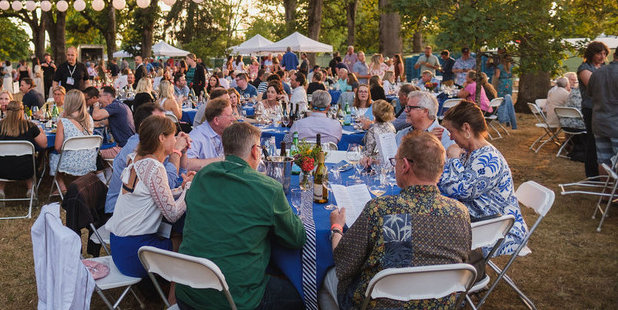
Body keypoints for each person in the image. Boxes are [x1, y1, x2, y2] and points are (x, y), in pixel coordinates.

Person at [326, 131, 471, 309]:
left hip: (383, 304)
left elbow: (343, 261)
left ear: (405, 166)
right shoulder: (460, 213)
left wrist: (337, 228)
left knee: (329, 276)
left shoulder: (384, 210)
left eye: (395, 161)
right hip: (442, 303)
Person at [177, 122, 305, 310]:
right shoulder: (267, 188)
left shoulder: (201, 177)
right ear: (255, 151)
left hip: (188, 294)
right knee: (302, 297)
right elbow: (297, 238)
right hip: (235, 300)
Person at [104, 116, 195, 278]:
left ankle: (163, 291)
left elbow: (151, 194)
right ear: (161, 138)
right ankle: (175, 297)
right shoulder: (153, 167)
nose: (175, 140)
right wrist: (188, 188)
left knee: (174, 233)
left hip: (119, 246)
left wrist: (180, 189)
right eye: (173, 136)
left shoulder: (136, 159)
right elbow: (173, 214)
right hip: (136, 252)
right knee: (188, 245)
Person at [439, 101, 528, 256]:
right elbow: (444, 179)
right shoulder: (470, 153)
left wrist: (453, 158)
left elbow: (456, 189)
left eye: (451, 131)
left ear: (466, 128)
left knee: (429, 237)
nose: (451, 137)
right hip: (479, 223)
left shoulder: (488, 158)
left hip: (499, 230)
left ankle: (455, 276)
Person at [105, 103, 189, 214]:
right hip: (123, 214)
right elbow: (168, 185)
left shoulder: (154, 146)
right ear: (145, 126)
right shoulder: (139, 149)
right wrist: (176, 151)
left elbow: (176, 180)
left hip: (139, 211)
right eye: (159, 123)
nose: (165, 127)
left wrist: (182, 152)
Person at [0, 100, 47, 203]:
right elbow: (44, 144)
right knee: (27, 159)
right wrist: (40, 130)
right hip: (25, 169)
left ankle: (1, 190)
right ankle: (30, 189)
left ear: (7, 111)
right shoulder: (30, 126)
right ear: (22, 111)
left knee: (3, 158)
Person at [49, 90, 97, 194]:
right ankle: (81, 184)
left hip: (69, 162)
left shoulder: (64, 122)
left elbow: (57, 147)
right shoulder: (89, 119)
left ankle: (62, 187)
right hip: (89, 161)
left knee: (53, 156)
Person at [578, 41, 609, 178]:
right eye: (599, 53)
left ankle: (604, 171)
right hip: (591, 109)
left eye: (604, 53)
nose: (602, 56)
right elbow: (595, 87)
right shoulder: (585, 68)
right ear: (591, 54)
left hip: (606, 109)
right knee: (593, 139)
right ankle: (592, 173)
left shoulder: (606, 67)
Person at [588, 50, 618, 166]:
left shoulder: (597, 73)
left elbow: (590, 94)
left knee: (604, 162)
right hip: (615, 125)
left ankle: (605, 185)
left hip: (599, 123)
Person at [187, 97, 233, 169]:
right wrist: (219, 161)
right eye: (229, 116)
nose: (233, 119)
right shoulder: (197, 136)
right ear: (216, 120)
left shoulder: (228, 132)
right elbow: (187, 163)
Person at [92, 86, 135, 159]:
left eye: (99, 96)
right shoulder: (120, 105)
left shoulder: (115, 106)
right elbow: (103, 122)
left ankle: (101, 171)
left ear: (107, 97)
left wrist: (96, 106)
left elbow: (96, 116)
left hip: (123, 149)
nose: (98, 99)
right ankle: (107, 170)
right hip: (130, 146)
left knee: (93, 153)